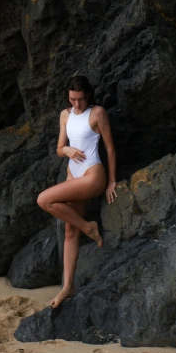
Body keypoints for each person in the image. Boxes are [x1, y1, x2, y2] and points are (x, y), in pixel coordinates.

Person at [37, 75, 117, 308]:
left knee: (44, 199)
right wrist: (69, 150)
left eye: (81, 99)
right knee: (70, 230)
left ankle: (89, 227)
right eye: (73, 99)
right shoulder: (65, 115)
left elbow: (110, 148)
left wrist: (111, 181)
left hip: (93, 174)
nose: (77, 104)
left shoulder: (98, 113)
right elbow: (60, 149)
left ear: (88, 96)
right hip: (73, 174)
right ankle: (68, 286)